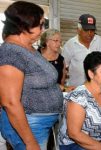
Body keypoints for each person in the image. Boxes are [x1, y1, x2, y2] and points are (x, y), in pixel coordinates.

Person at [0, 1, 63, 150]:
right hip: (30, 127)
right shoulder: (11, 53)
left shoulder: (27, 48)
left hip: (38, 124)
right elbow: (10, 103)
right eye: (40, 25)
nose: (43, 29)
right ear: (24, 26)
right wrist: (30, 142)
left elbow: (37, 80)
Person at [62, 14, 101, 87]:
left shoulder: (98, 40)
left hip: (96, 87)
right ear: (78, 30)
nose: (90, 34)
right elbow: (63, 67)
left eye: (92, 30)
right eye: (86, 30)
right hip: (76, 89)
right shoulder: (70, 44)